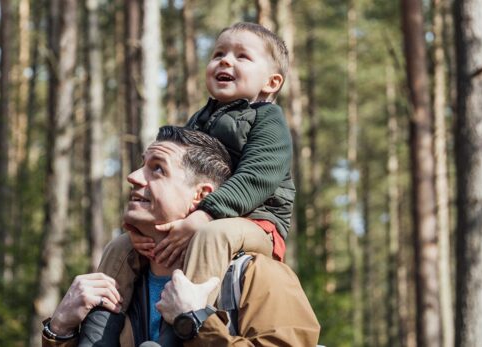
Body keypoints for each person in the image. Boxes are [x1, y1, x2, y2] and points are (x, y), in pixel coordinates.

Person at [40, 126, 319, 346]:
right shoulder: (118, 280)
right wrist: (60, 330)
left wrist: (197, 322)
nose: (133, 176)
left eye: (157, 169)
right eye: (141, 165)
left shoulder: (255, 277)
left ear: (201, 196)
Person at [98, 21, 297, 321]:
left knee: (212, 235)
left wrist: (205, 215)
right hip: (207, 214)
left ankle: (183, 322)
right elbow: (175, 181)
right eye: (218, 54)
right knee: (122, 246)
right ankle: (101, 330)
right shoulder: (199, 121)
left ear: (271, 82)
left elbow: (258, 177)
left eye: (242, 56)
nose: (225, 60)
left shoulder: (268, 120)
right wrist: (139, 230)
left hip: (258, 222)